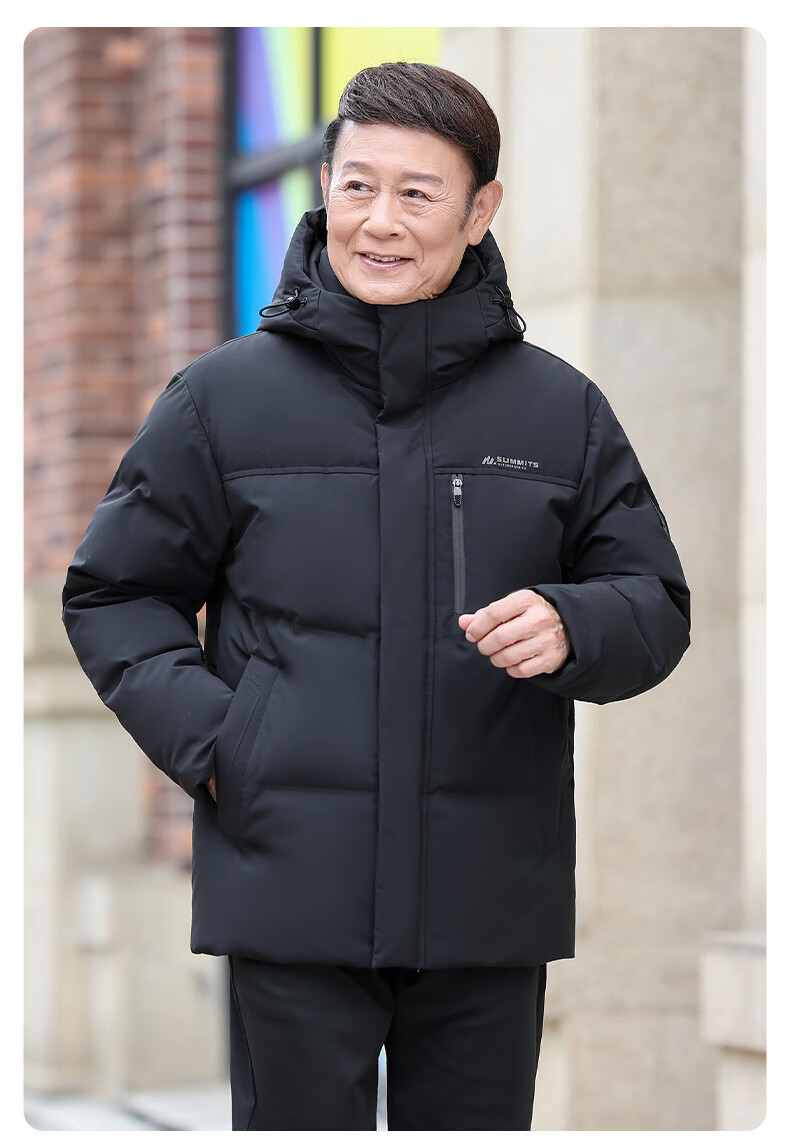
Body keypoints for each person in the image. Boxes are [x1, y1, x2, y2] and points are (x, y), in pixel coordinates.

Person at [61, 61, 691, 1130]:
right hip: (288, 884)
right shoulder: (222, 400)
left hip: (488, 898)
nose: (380, 222)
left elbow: (655, 602)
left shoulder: (559, 411)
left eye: (417, 193)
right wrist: (222, 744)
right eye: (357, 186)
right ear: (325, 189)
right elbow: (115, 592)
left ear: (480, 211)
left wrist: (574, 623)